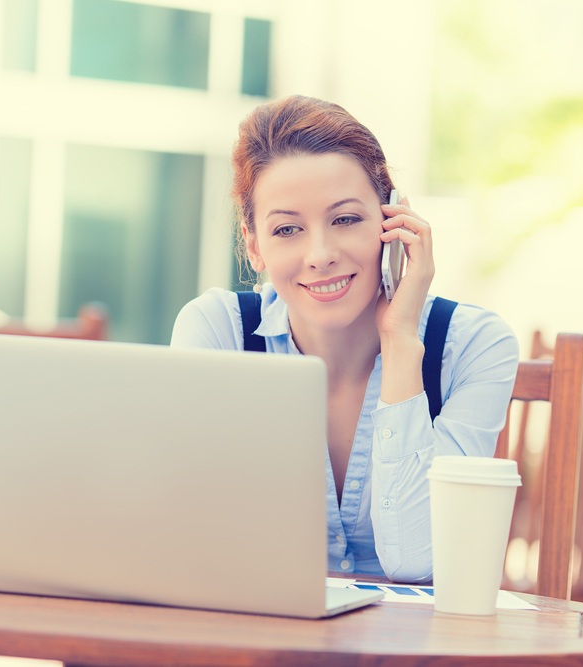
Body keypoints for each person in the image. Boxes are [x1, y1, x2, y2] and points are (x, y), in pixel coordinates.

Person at [170, 95, 519, 583]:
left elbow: (418, 560)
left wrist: (400, 344)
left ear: (392, 219)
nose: (320, 254)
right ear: (254, 245)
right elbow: (197, 539)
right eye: (287, 229)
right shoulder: (217, 332)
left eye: (346, 219)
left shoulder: (476, 345)